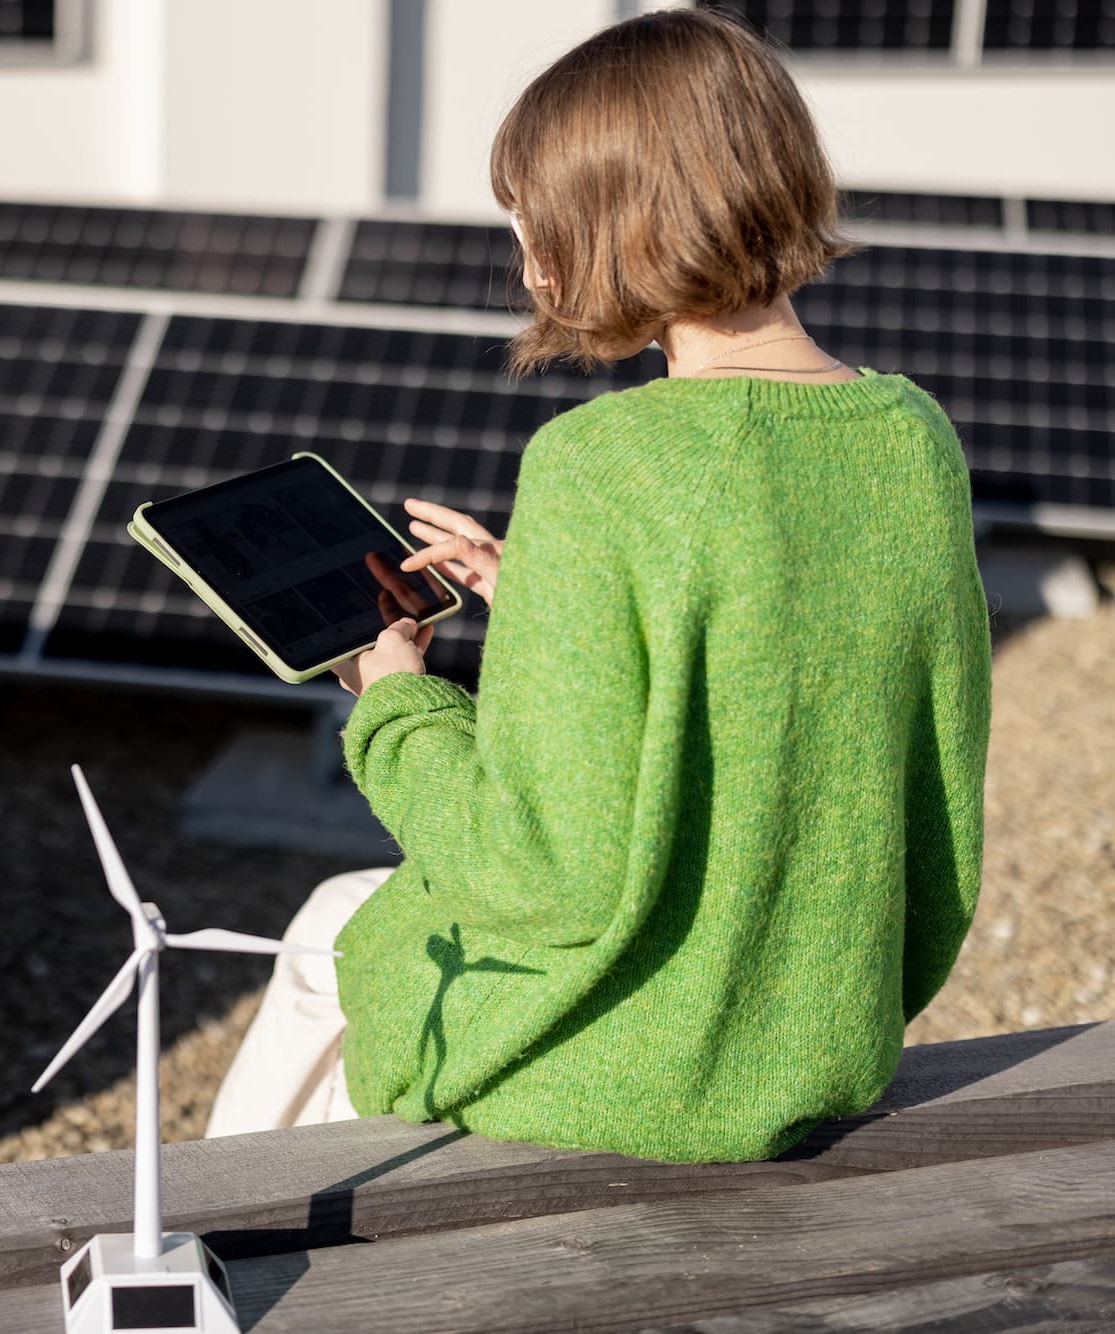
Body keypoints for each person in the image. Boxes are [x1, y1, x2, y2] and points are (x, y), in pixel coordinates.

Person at [206, 8, 991, 1162]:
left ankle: (216, 1242)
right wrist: (548, 609)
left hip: (623, 1065)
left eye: (532, 228)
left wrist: (389, 698)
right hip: (812, 1029)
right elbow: (813, 694)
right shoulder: (909, 436)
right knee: (336, 916)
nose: (526, 265)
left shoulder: (599, 465)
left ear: (609, 226)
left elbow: (534, 870)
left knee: (346, 944)